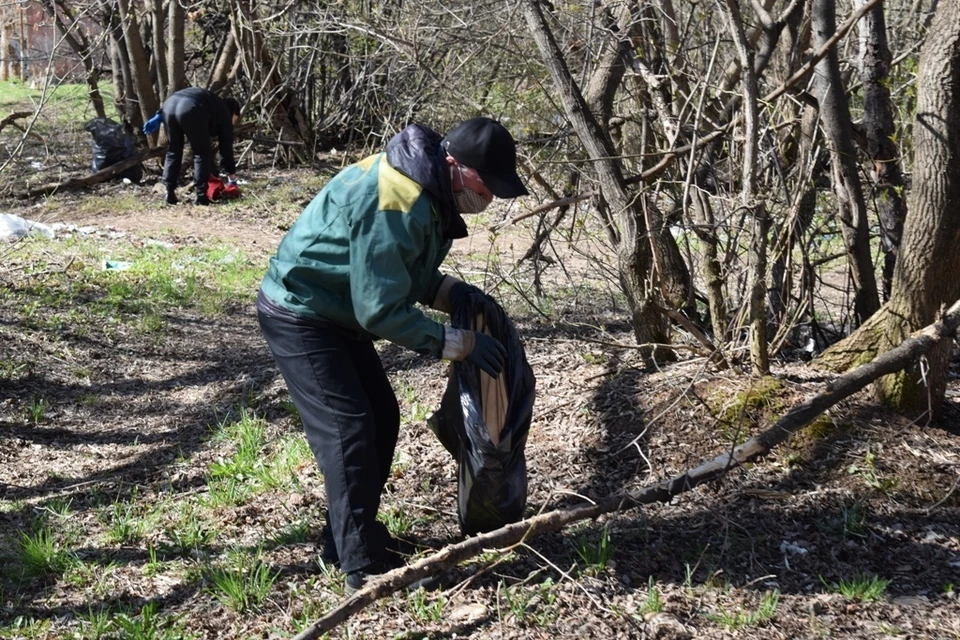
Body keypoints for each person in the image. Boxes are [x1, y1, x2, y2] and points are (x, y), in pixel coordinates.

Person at [256, 117, 528, 593]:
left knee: (381, 417)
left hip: (339, 310)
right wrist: (456, 343)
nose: (488, 197)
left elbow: (401, 270)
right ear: (454, 163)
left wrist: (454, 295)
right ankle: (361, 569)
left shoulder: (426, 188)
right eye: (485, 183)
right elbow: (380, 308)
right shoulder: (397, 198)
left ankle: (346, 540)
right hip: (302, 311)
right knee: (351, 431)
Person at [161, 87, 241, 206]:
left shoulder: (213, 104)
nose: (234, 122)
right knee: (201, 152)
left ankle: (169, 192)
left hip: (169, 105)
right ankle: (201, 195)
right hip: (190, 107)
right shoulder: (224, 113)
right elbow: (226, 148)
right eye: (236, 119)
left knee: (174, 150)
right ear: (234, 113)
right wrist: (232, 178)